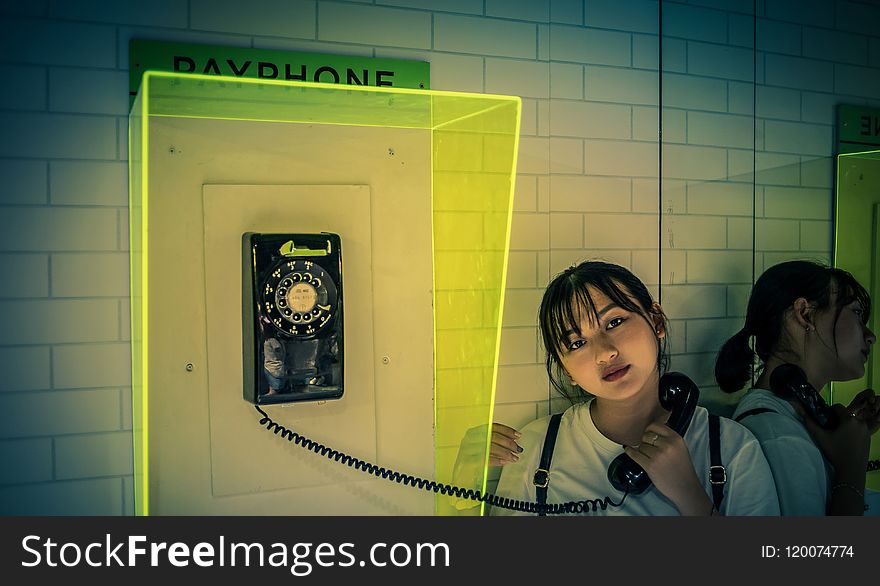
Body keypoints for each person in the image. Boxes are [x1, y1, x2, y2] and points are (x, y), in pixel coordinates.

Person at [490, 261, 779, 516]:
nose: (604, 353)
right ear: (567, 371)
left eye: (614, 322)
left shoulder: (731, 447)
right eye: (577, 343)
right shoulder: (534, 448)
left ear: (656, 320)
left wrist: (690, 496)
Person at [716, 260, 880, 516]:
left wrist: (842, 439)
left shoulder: (789, 421)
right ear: (805, 314)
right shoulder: (781, 438)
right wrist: (851, 464)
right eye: (856, 313)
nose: (870, 335)